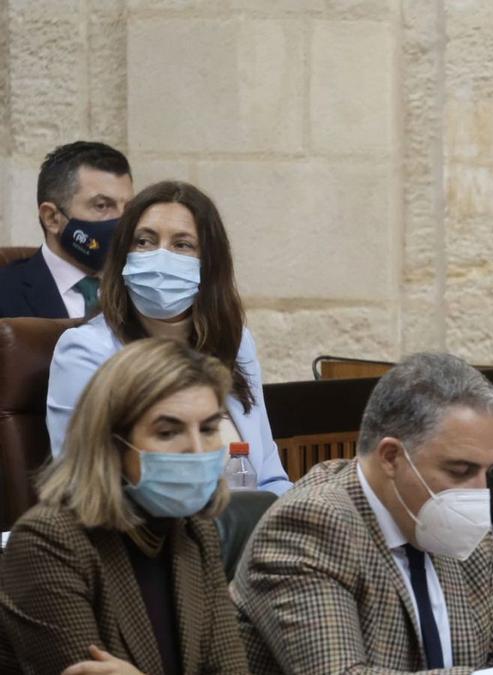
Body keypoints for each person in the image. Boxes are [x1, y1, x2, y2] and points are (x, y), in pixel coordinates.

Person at [232, 352, 493, 675]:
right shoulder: (309, 525)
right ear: (391, 456)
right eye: (461, 469)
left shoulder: (460, 527)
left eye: (486, 472)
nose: (478, 491)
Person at [0, 338, 250, 673]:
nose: (196, 448)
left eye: (208, 429)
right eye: (167, 432)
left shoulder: (194, 532)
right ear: (112, 445)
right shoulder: (49, 542)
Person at [46, 180, 292, 495]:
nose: (160, 257)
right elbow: (81, 488)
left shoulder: (236, 340)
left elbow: (270, 477)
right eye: (145, 241)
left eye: (182, 244)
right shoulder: (85, 350)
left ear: (209, 264)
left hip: (248, 533)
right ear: (124, 254)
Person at [0, 141, 134, 319]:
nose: (123, 222)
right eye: (102, 206)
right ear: (52, 218)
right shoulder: (6, 293)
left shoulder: (141, 289)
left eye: (129, 208)